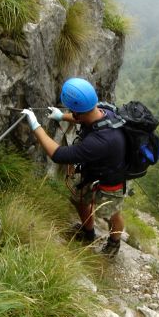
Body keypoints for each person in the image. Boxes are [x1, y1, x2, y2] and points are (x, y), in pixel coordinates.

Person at [22, 77, 126, 257]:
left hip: (111, 179)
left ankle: (114, 242)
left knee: (111, 213)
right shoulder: (102, 111)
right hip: (93, 169)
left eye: (72, 111)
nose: (72, 113)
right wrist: (61, 116)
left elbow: (58, 154)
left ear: (78, 112)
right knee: (78, 198)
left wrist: (35, 125)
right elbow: (83, 117)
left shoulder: (100, 141)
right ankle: (88, 232)